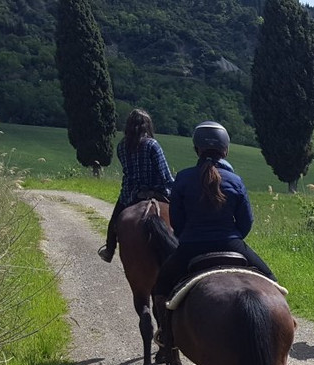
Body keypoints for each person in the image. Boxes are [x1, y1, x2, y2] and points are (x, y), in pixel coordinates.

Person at [153, 121, 277, 350]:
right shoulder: (236, 180)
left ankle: (166, 336)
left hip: (191, 247)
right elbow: (246, 222)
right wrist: (232, 238)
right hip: (231, 243)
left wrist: (188, 238)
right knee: (272, 280)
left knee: (160, 289)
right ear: (226, 150)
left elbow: (177, 222)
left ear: (196, 149)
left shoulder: (183, 178)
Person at [98, 109, 174, 262]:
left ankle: (109, 249)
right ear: (147, 126)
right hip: (156, 192)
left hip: (130, 194)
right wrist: (174, 187)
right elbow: (164, 174)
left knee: (115, 220)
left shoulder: (121, 146)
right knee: (182, 216)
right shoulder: (152, 145)